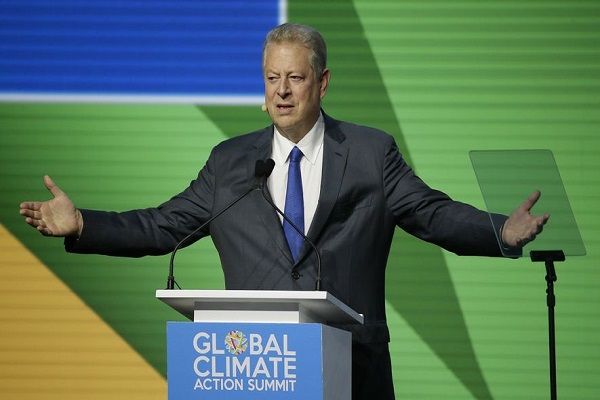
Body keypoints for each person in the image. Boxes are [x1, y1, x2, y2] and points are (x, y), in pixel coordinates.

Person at [19, 22, 548, 400]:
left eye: (295, 78)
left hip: (353, 371)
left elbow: (430, 213)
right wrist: (83, 224)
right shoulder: (230, 162)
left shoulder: (369, 153)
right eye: (272, 79)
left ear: (322, 82)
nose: (282, 92)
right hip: (252, 371)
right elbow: (163, 226)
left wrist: (500, 230)